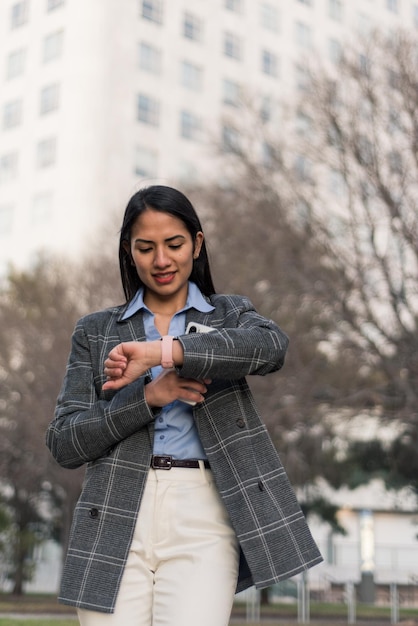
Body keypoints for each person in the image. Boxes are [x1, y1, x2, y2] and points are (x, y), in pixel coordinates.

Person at [46, 185, 322, 626]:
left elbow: (272, 348)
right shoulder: (95, 331)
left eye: (174, 244)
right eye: (146, 247)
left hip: (204, 515)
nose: (161, 260)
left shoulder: (229, 315)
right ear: (128, 251)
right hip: (114, 510)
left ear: (196, 243)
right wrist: (149, 397)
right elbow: (64, 442)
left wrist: (162, 353)